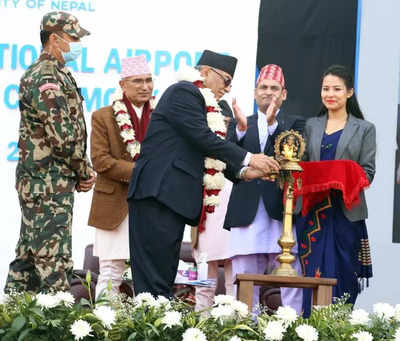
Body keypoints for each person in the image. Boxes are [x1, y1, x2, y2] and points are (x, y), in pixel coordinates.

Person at [127, 50, 280, 298]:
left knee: (163, 275)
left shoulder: (207, 104)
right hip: (157, 193)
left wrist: (244, 172)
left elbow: (206, 149)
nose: (228, 89)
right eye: (227, 80)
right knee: (153, 276)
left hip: (171, 199)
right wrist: (250, 157)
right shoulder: (184, 92)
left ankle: (156, 321)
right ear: (206, 72)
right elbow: (202, 138)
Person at [5, 11, 95, 293]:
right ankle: (56, 325)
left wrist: (80, 169)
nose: (78, 44)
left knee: (28, 258)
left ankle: (11, 321)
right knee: (53, 262)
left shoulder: (58, 73)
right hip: (46, 183)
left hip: (48, 182)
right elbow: (63, 136)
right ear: (54, 39)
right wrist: (84, 171)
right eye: (74, 38)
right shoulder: (46, 76)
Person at [224, 64, 305, 313]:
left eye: (274, 88)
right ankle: (248, 331)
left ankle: (293, 329)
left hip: (282, 215)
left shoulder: (295, 124)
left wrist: (271, 127)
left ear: (284, 94)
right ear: (255, 91)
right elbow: (228, 168)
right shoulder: (240, 123)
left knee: (292, 282)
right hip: (245, 214)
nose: (268, 93)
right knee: (245, 285)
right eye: (263, 87)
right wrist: (238, 132)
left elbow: (293, 158)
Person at [296, 64, 375, 316]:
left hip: (345, 213)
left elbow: (368, 172)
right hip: (312, 214)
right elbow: (301, 167)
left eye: (337, 89)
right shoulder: (310, 125)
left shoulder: (364, 129)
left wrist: (342, 174)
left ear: (349, 92)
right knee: (312, 272)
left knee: (345, 272)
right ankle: (309, 326)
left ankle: (339, 326)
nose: (330, 94)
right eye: (325, 89)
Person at [88, 56, 154, 298]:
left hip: (152, 204)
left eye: (148, 80)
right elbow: (100, 161)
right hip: (114, 203)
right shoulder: (103, 116)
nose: (145, 86)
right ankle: (105, 327)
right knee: (111, 272)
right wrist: (141, 171)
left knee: (148, 273)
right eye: (138, 81)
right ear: (123, 84)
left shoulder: (162, 117)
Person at [191, 100, 235, 311]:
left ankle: (234, 326)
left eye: (226, 122)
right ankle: (201, 324)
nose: (221, 127)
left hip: (233, 227)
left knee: (233, 283)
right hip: (204, 225)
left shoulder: (236, 150)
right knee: (204, 284)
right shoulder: (197, 151)